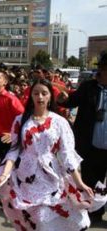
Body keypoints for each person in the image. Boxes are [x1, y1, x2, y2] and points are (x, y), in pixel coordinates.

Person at [0, 79, 106, 230]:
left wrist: (79, 183)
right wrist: (5, 173)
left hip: (52, 176)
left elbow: (67, 155)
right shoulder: (20, 121)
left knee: (50, 218)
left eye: (44, 93)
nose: (40, 97)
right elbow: (14, 150)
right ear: (31, 96)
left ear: (50, 97)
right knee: (36, 218)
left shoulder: (60, 122)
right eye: (36, 93)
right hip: (26, 177)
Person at [57, 51, 107, 223]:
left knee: (102, 178)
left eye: (104, 69)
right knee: (89, 177)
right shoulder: (88, 87)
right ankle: (92, 210)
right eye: (100, 68)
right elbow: (71, 101)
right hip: (89, 144)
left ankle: (98, 207)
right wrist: (63, 100)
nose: (100, 72)